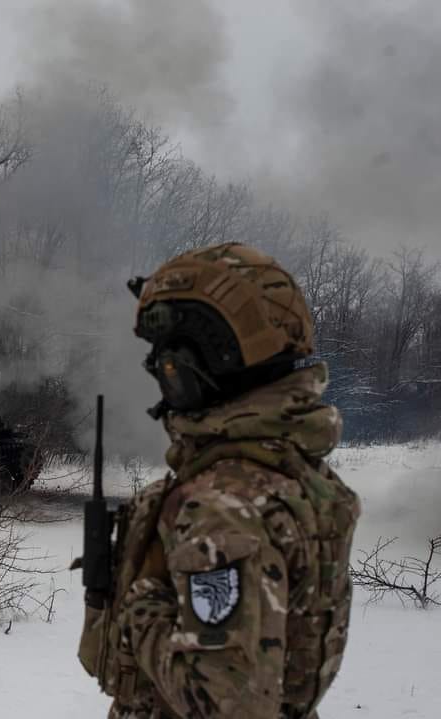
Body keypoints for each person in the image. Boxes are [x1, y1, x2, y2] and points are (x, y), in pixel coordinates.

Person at [78, 243, 361, 719]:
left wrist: (140, 605)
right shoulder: (288, 475)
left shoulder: (224, 507)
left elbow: (229, 704)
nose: (157, 369)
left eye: (167, 358)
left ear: (207, 358)